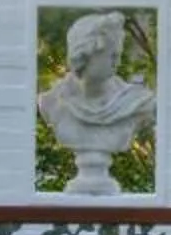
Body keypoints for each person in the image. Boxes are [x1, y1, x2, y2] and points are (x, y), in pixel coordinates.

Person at [37, 10, 155, 195]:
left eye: (119, 54)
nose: (117, 62)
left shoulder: (135, 102)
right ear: (85, 54)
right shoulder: (53, 102)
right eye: (111, 55)